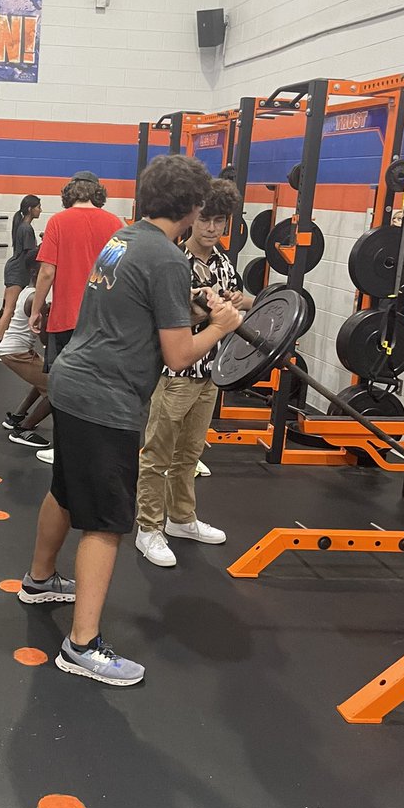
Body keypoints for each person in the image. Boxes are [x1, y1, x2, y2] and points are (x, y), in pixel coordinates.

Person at [18, 155, 243, 687]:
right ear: (192, 207)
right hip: (105, 399)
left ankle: (40, 579)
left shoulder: (124, 238)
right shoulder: (166, 257)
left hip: (72, 379)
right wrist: (223, 323)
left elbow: (133, 304)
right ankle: (82, 646)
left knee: (65, 489)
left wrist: (187, 304)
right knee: (107, 523)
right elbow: (179, 356)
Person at [135, 178, 254, 567]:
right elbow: (163, 319)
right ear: (192, 219)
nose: (212, 228)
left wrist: (241, 301)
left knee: (189, 454)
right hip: (175, 376)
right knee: (157, 455)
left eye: (219, 221)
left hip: (211, 374)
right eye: (205, 220)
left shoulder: (223, 263)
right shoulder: (173, 261)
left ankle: (182, 519)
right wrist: (204, 311)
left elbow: (247, 305)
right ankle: (148, 528)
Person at [28, 171, 123, 463]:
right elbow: (114, 275)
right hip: (102, 323)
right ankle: (92, 449)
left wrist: (35, 310)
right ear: (98, 193)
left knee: (64, 387)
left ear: (70, 193)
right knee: (98, 386)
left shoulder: (58, 221)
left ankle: (65, 449)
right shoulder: (115, 224)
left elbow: (47, 271)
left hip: (67, 319)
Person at [0, 262, 51, 450]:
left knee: (45, 375)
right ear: (35, 272)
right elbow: (44, 336)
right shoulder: (35, 298)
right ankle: (23, 430)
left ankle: (17, 417)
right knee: (57, 390)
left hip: (15, 350)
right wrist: (46, 314)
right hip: (16, 353)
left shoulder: (27, 291)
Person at [0, 194, 42, 359]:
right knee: (9, 310)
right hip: (18, 271)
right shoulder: (26, 228)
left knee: (6, 308)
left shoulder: (23, 226)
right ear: (30, 209)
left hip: (16, 269)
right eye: (38, 207)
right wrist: (44, 245)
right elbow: (29, 255)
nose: (40, 210)